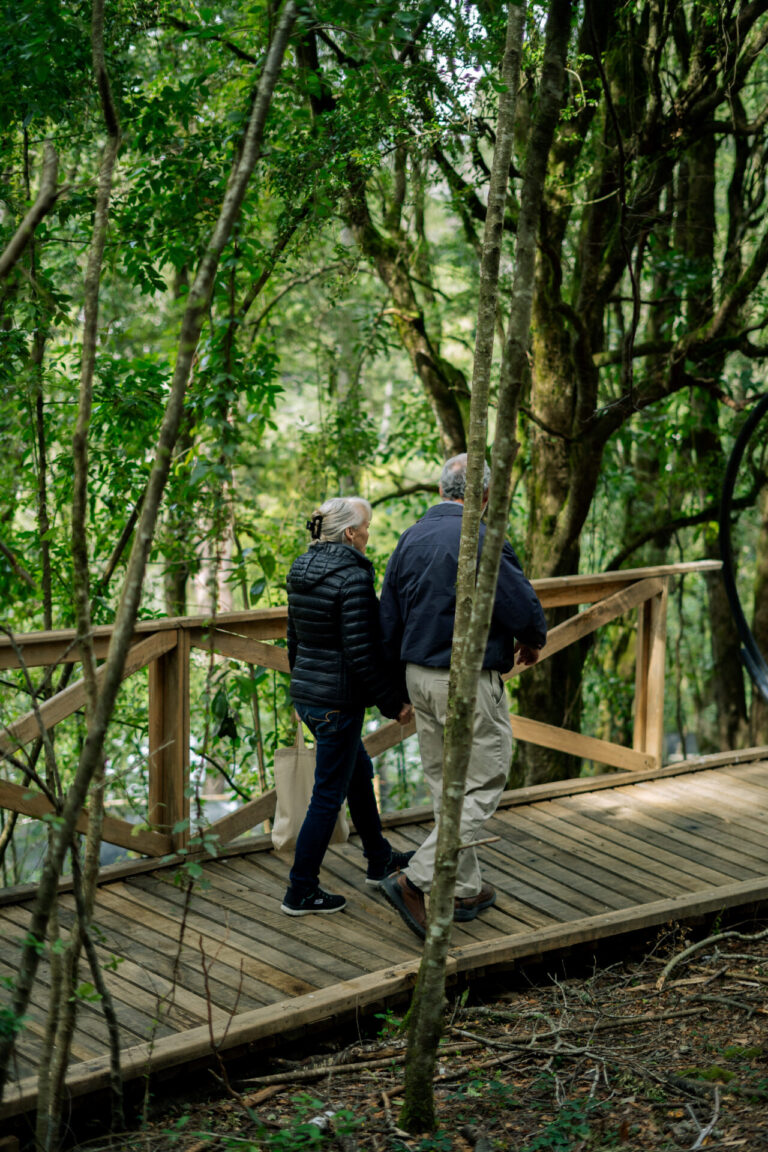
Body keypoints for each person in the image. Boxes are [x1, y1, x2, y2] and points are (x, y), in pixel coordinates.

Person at [378, 454, 547, 938]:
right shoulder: (480, 537)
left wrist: (394, 694)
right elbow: (520, 605)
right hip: (464, 678)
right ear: (485, 495)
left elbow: (387, 618)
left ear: (440, 490)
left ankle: (465, 886)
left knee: (444, 783)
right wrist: (532, 638)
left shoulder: (409, 539)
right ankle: (416, 879)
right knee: (483, 782)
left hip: (417, 677)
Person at [282, 496, 413, 916]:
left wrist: (301, 693)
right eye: (368, 526)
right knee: (327, 796)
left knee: (358, 772)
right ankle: (300, 890)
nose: (370, 533)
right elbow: (362, 652)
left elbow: (294, 638)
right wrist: (394, 704)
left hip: (314, 696)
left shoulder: (301, 569)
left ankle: (379, 858)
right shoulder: (352, 578)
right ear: (351, 534)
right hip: (337, 701)